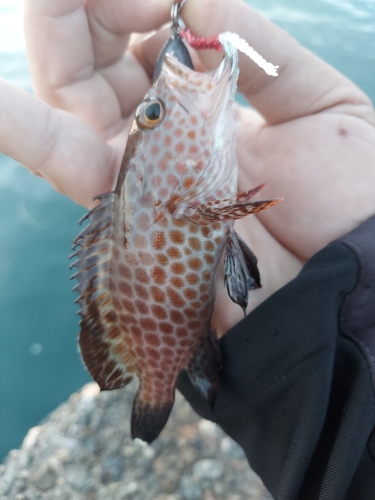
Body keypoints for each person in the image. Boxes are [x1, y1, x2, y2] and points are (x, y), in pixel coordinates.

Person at [1, 0, 375, 498]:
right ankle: (159, 388)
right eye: (153, 112)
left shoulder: (185, 188)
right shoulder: (184, 192)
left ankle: (163, 385)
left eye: (149, 112)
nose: (159, 102)